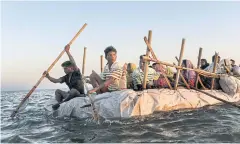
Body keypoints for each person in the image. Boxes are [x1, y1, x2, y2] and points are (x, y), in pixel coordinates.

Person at [44, 45, 85, 110]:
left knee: (73, 90)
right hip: (70, 95)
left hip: (79, 94)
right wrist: (48, 76)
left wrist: (67, 52)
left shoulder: (76, 72)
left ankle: (61, 103)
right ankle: (59, 103)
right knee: (57, 91)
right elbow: (56, 81)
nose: (64, 70)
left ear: (71, 68)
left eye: (65, 68)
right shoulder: (65, 77)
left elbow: (73, 63)